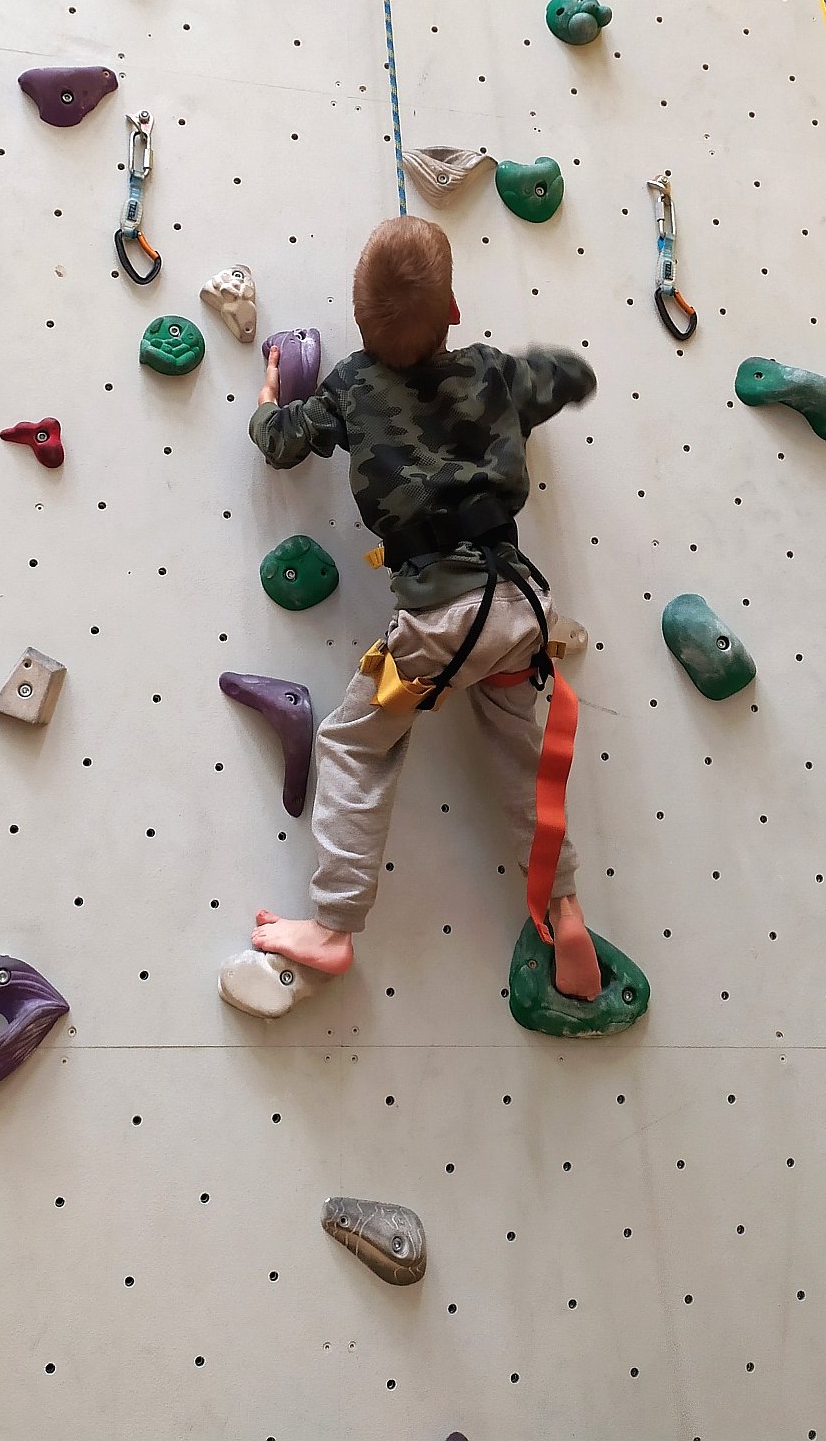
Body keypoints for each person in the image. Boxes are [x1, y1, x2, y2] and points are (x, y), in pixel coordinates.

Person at [225, 215, 601, 1014]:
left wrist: (266, 400)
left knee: (355, 746)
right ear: (455, 311)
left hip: (439, 622)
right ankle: (564, 907)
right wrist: (520, 387)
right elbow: (570, 376)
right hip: (520, 608)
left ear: (360, 326)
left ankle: (334, 924)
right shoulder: (492, 372)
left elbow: (282, 441)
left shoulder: (352, 387)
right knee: (520, 757)